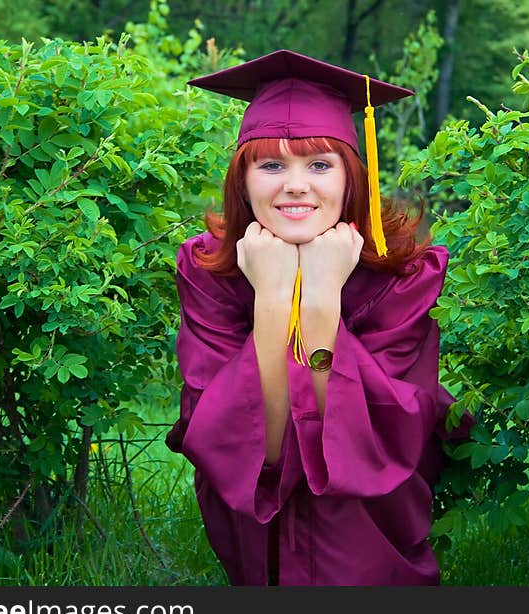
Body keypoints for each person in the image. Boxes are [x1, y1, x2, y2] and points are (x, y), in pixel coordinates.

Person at [166, 50, 474, 585]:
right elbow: (255, 447)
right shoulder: (208, 270)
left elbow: (369, 443)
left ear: (353, 175)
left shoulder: (405, 276)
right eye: (270, 165)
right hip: (255, 536)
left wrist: (321, 300)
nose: (295, 185)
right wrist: (270, 297)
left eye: (319, 164)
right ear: (241, 179)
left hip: (366, 531)